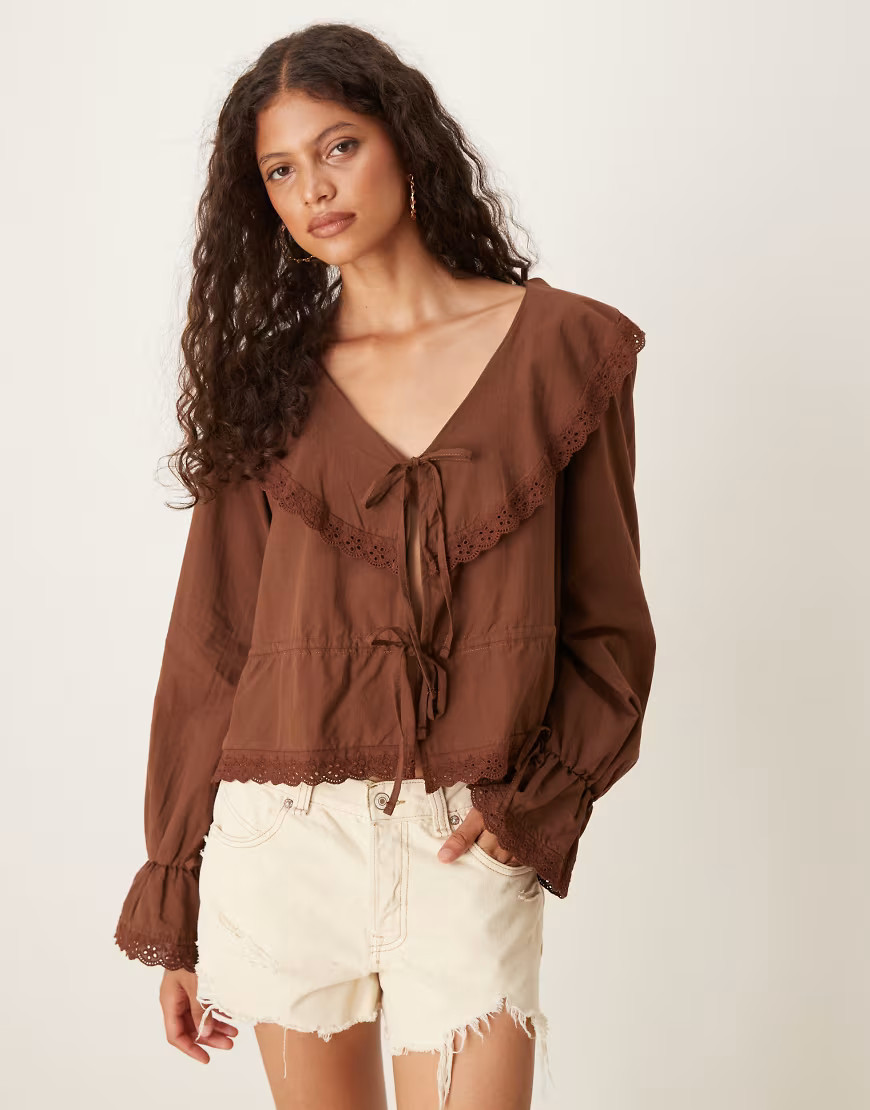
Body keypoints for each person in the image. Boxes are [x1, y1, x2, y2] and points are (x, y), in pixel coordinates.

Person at [114, 21, 656, 1110]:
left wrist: (531, 806)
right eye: (281, 170)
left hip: (466, 832)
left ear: (404, 139)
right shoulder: (269, 386)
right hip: (279, 835)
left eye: (339, 147)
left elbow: (608, 625)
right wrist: (178, 897)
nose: (314, 188)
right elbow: (212, 645)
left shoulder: (561, 348)